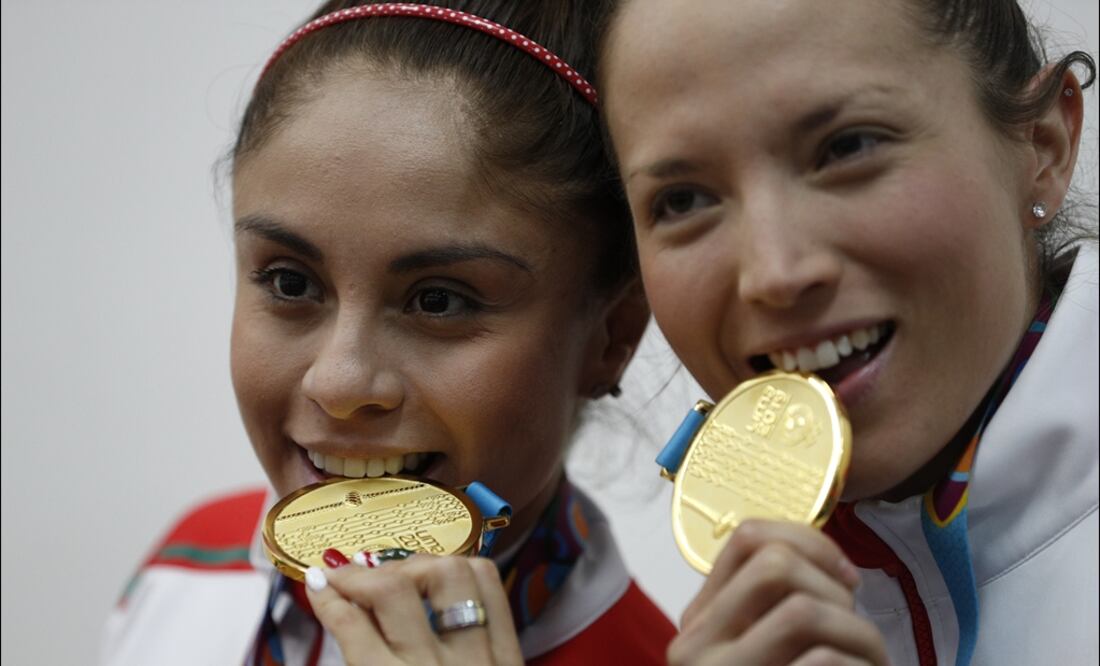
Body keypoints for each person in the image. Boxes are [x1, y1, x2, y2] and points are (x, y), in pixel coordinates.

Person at [100, 1, 675, 664]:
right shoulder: (185, 570)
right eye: (290, 284)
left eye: (438, 301)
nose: (340, 383)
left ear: (613, 336)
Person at [598, 0, 1097, 664]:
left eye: (848, 147)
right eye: (683, 200)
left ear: (1044, 144)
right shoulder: (723, 614)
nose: (774, 274)